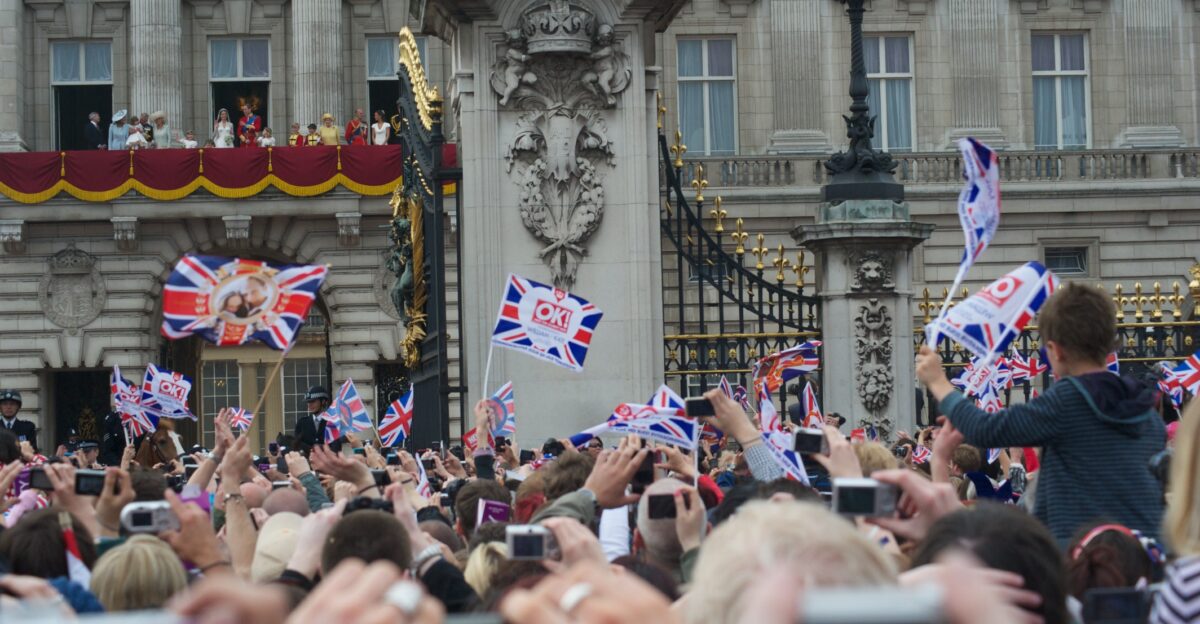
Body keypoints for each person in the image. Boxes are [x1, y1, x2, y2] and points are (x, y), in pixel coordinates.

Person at [916, 282, 1165, 545]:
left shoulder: (1068, 399)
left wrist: (939, 382)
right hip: (1144, 556)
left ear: (1055, 351)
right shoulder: (1146, 411)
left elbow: (985, 429)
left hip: (1082, 560)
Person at [293, 386, 330, 452]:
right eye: (308, 402)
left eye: (313, 401)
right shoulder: (302, 423)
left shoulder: (331, 422)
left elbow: (336, 448)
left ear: (323, 401)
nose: (309, 405)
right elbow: (297, 445)